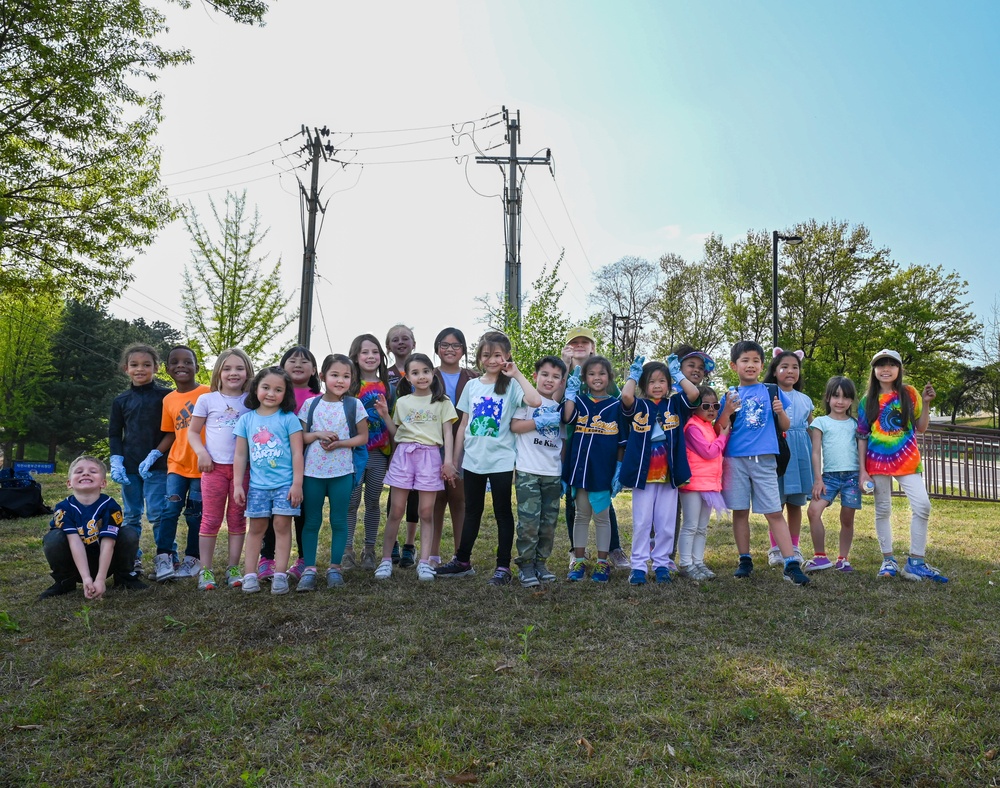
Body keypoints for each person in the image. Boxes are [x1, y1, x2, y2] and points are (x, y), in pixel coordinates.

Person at [435, 331, 542, 585]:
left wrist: (516, 373)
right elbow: (462, 426)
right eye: (486, 355)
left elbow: (535, 401)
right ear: (480, 358)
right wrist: (455, 460)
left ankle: (503, 567)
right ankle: (462, 561)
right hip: (473, 461)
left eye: (497, 355)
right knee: (473, 511)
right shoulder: (472, 386)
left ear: (506, 356)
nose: (492, 360)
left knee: (502, 512)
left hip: (502, 461)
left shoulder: (512, 386)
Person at [718, 340, 809, 585]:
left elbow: (785, 426)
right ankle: (744, 560)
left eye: (755, 361)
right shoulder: (729, 394)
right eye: (745, 360)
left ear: (761, 365)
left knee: (774, 512)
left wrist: (780, 412)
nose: (750, 365)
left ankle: (790, 563)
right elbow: (721, 427)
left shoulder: (772, 391)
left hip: (765, 460)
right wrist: (726, 410)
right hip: (735, 460)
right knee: (740, 511)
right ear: (733, 365)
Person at [858, 349, 946, 582]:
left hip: (907, 460)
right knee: (883, 509)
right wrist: (862, 470)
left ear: (899, 369)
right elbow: (862, 436)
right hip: (876, 462)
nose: (886, 369)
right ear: (874, 371)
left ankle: (916, 562)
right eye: (880, 365)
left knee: (923, 506)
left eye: (891, 365)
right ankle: (888, 560)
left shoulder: (909, 393)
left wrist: (926, 404)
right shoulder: (868, 400)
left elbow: (921, 427)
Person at [374, 352, 458, 581]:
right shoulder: (402, 402)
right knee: (397, 510)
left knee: (426, 512)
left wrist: (448, 461)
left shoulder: (443, 402)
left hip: (430, 458)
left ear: (433, 373)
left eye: (426, 371)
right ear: (408, 377)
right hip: (404, 456)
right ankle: (385, 561)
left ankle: (424, 562)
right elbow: (397, 434)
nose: (421, 376)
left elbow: (448, 434)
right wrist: (384, 415)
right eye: (415, 372)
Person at [619, 358, 693, 584]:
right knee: (642, 522)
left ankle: (661, 563)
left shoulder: (675, 404)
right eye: (652, 381)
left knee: (666, 523)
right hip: (643, 475)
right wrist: (633, 374)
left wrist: (678, 374)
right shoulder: (640, 405)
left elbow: (693, 394)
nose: (658, 385)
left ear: (669, 384)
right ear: (644, 385)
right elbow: (626, 397)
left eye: (663, 381)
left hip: (668, 476)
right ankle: (639, 566)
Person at [299, 354, 369, 591]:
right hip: (312, 473)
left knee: (339, 520)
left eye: (346, 376)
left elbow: (363, 437)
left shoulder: (354, 405)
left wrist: (340, 443)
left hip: (342, 472)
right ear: (322, 376)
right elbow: (302, 437)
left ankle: (335, 568)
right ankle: (309, 569)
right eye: (335, 375)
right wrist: (319, 435)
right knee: (312, 521)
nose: (340, 380)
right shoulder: (311, 405)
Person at [560, 327, 629, 569]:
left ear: (592, 347)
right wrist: (564, 365)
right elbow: (562, 410)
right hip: (572, 448)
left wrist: (619, 466)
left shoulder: (606, 382)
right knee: (576, 507)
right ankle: (576, 554)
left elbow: (622, 407)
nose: (579, 345)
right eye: (574, 342)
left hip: (601, 453)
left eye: (584, 342)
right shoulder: (565, 371)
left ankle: (611, 551)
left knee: (602, 506)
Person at [233, 367, 305, 595]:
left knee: (282, 527)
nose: (271, 393)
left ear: (286, 394)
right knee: (256, 529)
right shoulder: (246, 420)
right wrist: (237, 484)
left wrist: (297, 484)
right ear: (256, 389)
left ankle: (280, 575)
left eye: (278, 389)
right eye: (266, 387)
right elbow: (240, 455)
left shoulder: (289, 419)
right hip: (257, 486)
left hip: (285, 485)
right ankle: (250, 575)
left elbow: (297, 453)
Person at [188, 348, 254, 590]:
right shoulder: (208, 399)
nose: (233, 373)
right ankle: (206, 570)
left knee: (237, 518)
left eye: (239, 368)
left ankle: (233, 567)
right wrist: (202, 453)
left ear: (247, 371)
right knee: (211, 518)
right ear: (218, 372)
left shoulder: (251, 401)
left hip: (243, 470)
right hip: (213, 468)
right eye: (227, 368)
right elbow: (193, 432)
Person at [40, 456, 147, 599]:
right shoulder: (63, 508)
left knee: (128, 533)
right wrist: (86, 579)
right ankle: (64, 581)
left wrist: (101, 579)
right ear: (69, 483)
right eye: (79, 471)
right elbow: (74, 541)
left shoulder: (110, 505)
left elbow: (108, 542)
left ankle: (124, 577)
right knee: (54, 537)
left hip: (106, 562)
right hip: (75, 564)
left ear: (103, 483)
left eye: (93, 471)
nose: (85, 474)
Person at [108, 342, 173, 576]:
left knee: (157, 512)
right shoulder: (121, 400)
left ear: (156, 367)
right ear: (126, 368)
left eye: (146, 365)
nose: (140, 369)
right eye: (134, 365)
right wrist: (116, 460)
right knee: (132, 514)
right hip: (129, 468)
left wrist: (156, 453)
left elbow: (172, 430)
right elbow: (115, 433)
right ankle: (131, 559)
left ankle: (166, 556)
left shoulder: (166, 396)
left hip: (158, 466)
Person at [258, 346, 319, 582]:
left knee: (303, 512)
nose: (298, 364)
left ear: (314, 370)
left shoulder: (318, 398)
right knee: (273, 514)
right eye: (292, 360)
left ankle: (304, 559)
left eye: (305, 361)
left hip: (309, 464)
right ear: (282, 366)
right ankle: (267, 559)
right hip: (274, 466)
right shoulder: (277, 394)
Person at [152, 346, 210, 582]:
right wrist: (154, 454)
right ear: (167, 369)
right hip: (176, 464)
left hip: (202, 465)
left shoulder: (208, 393)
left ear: (197, 367)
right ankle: (164, 556)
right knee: (170, 510)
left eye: (188, 361)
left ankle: (192, 559)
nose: (181, 365)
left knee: (195, 514)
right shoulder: (168, 400)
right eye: (174, 362)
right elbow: (171, 433)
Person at [510, 355, 567, 587]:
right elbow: (515, 426)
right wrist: (538, 422)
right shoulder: (527, 400)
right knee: (529, 522)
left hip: (552, 473)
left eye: (555, 377)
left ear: (561, 382)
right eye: (544, 374)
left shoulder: (562, 409)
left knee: (548, 522)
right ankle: (525, 565)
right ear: (535, 376)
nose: (549, 380)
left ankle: (541, 563)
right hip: (528, 471)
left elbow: (562, 442)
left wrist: (562, 472)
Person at [345, 334, 394, 571]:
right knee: (351, 502)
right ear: (355, 356)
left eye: (375, 352)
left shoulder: (389, 387)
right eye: (365, 352)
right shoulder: (347, 386)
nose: (370, 356)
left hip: (378, 454)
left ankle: (369, 549)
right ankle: (347, 550)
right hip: (353, 454)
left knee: (373, 501)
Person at [431, 327, 479, 567]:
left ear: (463, 350)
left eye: (456, 345)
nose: (450, 349)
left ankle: (460, 553)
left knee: (459, 498)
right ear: (437, 347)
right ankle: (432, 553)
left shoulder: (473, 376)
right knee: (436, 498)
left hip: (462, 444)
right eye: (445, 344)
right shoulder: (427, 374)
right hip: (432, 445)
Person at [762, 348, 813, 567]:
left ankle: (794, 546)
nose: (790, 371)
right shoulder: (765, 395)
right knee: (776, 503)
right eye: (784, 367)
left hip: (800, 453)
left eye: (795, 367)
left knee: (795, 504)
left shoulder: (805, 399)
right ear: (774, 371)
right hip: (777, 451)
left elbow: (811, 428)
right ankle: (776, 548)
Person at [804, 376, 860, 573]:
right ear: (828, 398)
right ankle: (820, 556)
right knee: (813, 511)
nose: (840, 401)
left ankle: (843, 559)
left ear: (852, 401)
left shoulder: (855, 424)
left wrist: (864, 476)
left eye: (845, 397)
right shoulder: (820, 422)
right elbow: (816, 451)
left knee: (846, 519)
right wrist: (818, 479)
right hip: (828, 477)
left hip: (852, 477)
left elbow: (863, 450)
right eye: (836, 396)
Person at [679, 386, 732, 580]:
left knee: (701, 527)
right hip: (693, 484)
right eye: (706, 405)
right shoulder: (692, 427)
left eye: (716, 405)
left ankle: (698, 562)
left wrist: (720, 437)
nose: (712, 410)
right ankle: (686, 564)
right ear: (694, 407)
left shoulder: (708, 426)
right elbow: (709, 452)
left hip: (709, 484)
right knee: (691, 526)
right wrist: (723, 437)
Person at [385, 323, 420, 566]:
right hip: (390, 440)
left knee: (416, 493)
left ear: (414, 343)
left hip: (419, 444)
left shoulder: (423, 371)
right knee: (395, 494)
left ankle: (409, 544)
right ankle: (393, 543)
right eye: (395, 339)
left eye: (405, 338)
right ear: (388, 346)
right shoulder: (383, 375)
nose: (401, 342)